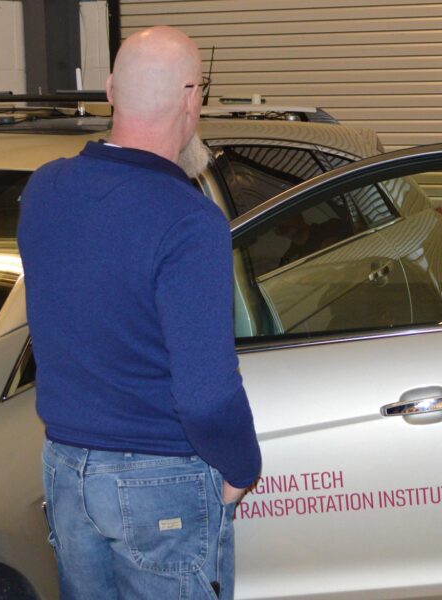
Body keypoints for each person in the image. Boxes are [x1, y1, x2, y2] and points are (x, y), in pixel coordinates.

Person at [18, 26, 261, 599]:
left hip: (65, 472)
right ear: (189, 99)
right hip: (161, 481)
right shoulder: (189, 221)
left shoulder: (45, 189)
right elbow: (206, 392)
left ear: (109, 91)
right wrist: (241, 467)